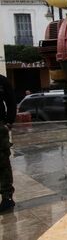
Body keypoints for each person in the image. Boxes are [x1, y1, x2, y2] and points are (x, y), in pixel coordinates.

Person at [0, 73, 16, 213]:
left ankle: (7, 198)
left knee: (2, 163)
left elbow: (11, 102)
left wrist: (9, 122)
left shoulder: (1, 81)